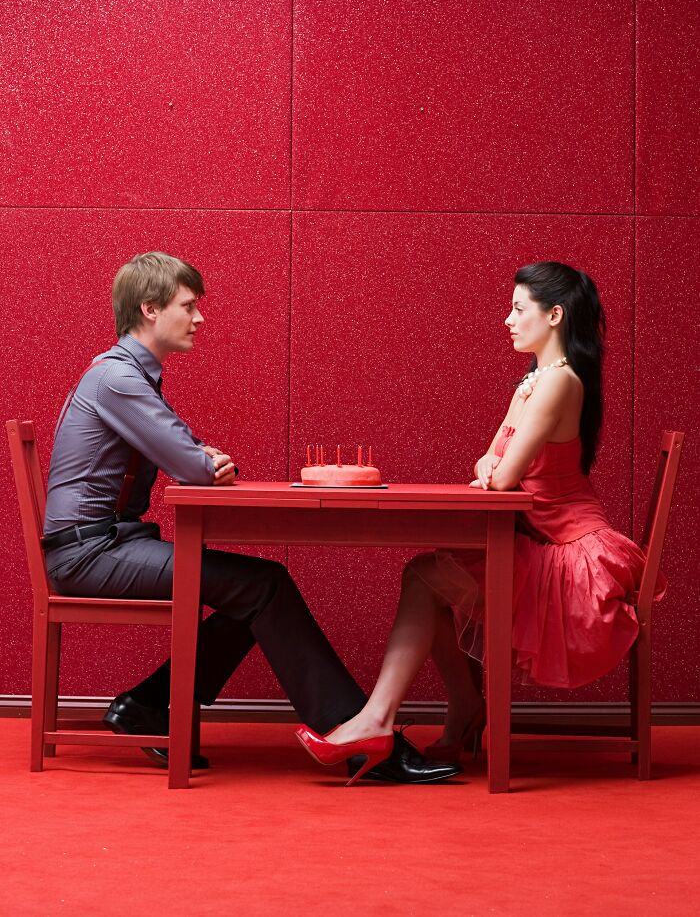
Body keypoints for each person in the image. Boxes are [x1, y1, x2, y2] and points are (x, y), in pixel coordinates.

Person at [42, 252, 460, 783]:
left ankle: (148, 704)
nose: (199, 319)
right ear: (150, 308)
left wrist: (198, 457)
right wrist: (200, 460)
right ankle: (353, 733)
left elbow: (188, 449)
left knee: (255, 589)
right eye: (188, 306)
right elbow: (195, 464)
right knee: (264, 587)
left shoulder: (128, 378)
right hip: (89, 553)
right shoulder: (118, 381)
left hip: (105, 544)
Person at [296, 261, 664, 777]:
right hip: (542, 539)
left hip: (573, 555)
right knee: (426, 576)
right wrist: (493, 465)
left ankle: (382, 719)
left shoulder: (558, 385)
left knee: (426, 578)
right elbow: (486, 463)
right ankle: (446, 709)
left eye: (518, 309)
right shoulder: (535, 381)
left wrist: (493, 467)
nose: (508, 320)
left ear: (554, 315)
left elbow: (501, 474)